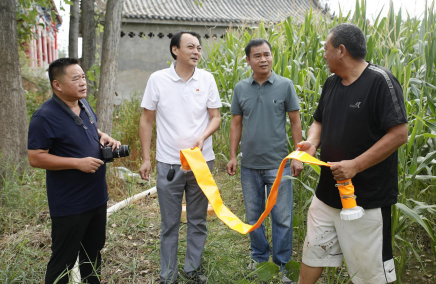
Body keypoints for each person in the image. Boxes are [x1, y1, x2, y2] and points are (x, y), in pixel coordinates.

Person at [298, 23, 408, 284]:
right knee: (313, 253)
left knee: (370, 275)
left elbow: (399, 134)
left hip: (365, 200)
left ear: (341, 50)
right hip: (326, 193)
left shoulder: (380, 82)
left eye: (326, 48)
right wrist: (312, 142)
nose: (323, 54)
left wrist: (356, 165)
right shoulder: (332, 83)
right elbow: (319, 121)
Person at [139, 31, 222, 284]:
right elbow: (146, 119)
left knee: (198, 220)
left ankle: (192, 270)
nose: (197, 51)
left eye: (199, 47)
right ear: (175, 50)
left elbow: (216, 117)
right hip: (168, 164)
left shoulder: (207, 79)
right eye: (190, 47)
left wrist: (203, 136)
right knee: (169, 224)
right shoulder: (158, 79)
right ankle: (168, 276)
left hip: (200, 162)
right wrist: (146, 158)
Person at [28, 58, 120, 284]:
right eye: (75, 78)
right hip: (70, 204)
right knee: (63, 261)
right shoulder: (44, 116)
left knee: (92, 254)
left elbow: (83, 128)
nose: (83, 83)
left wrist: (101, 135)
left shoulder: (83, 104)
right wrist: (77, 163)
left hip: (96, 198)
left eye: (83, 77)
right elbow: (35, 157)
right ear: (57, 85)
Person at [226, 38, 303, 283]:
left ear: (272, 57)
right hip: (249, 165)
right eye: (257, 56)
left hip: (279, 165)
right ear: (248, 60)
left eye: (267, 54)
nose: (263, 59)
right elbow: (236, 123)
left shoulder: (285, 85)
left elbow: (295, 121)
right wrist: (232, 156)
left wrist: (298, 156)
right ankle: (259, 258)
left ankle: (281, 265)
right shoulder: (241, 88)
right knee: (254, 216)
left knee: (282, 217)